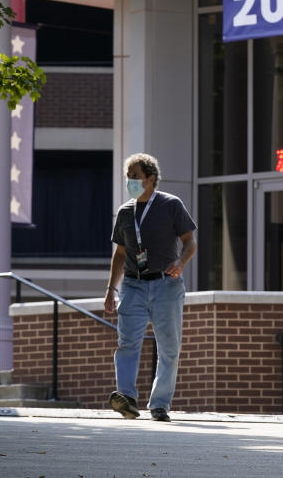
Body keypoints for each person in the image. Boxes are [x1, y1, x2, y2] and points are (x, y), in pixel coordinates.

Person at [104, 153, 197, 423]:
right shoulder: (125, 212)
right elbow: (120, 253)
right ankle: (127, 399)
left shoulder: (171, 205)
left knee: (169, 346)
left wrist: (180, 262)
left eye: (135, 176)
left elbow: (190, 241)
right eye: (128, 176)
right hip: (133, 284)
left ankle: (159, 404)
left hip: (166, 284)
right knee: (127, 342)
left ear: (151, 179)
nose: (130, 181)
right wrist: (112, 288)